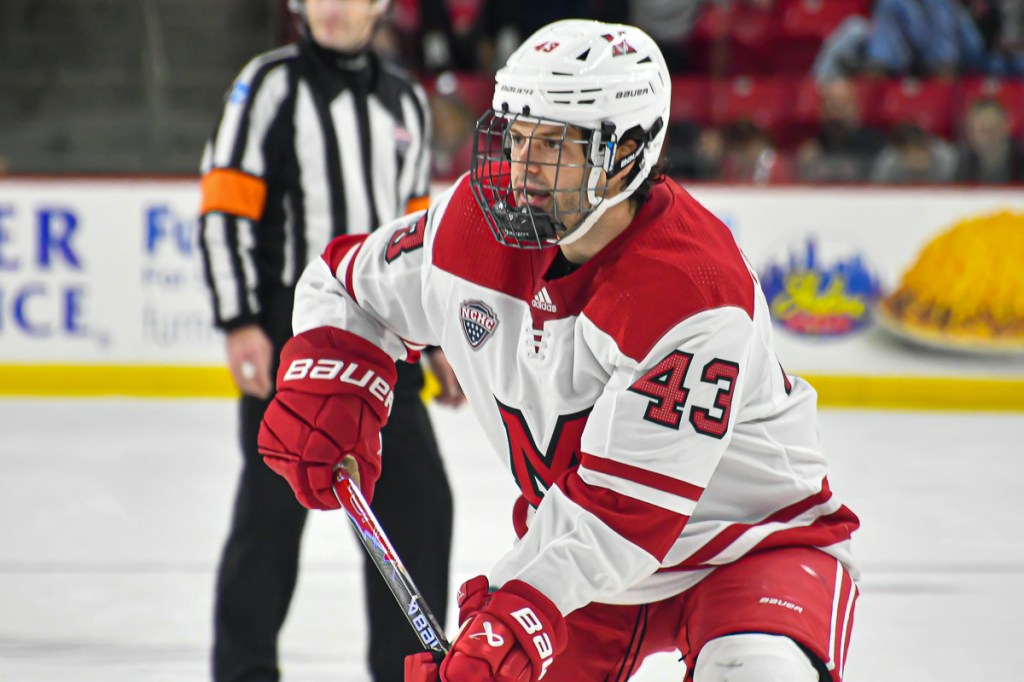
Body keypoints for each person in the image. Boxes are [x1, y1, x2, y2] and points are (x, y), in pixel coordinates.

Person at [255, 19, 861, 682]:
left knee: (757, 674)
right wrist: (333, 380)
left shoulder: (693, 291)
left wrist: (514, 608)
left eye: (554, 143)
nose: (523, 167)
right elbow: (345, 284)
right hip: (585, 567)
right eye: (518, 137)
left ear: (628, 152)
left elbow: (623, 512)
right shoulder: (472, 228)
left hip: (747, 546)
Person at [196, 1, 461, 680]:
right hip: (296, 348)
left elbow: (420, 237)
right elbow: (225, 205)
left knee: (421, 508)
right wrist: (239, 320)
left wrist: (437, 339)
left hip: (388, 347)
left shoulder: (406, 99)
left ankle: (408, 672)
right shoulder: (270, 85)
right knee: (270, 517)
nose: (332, 7)